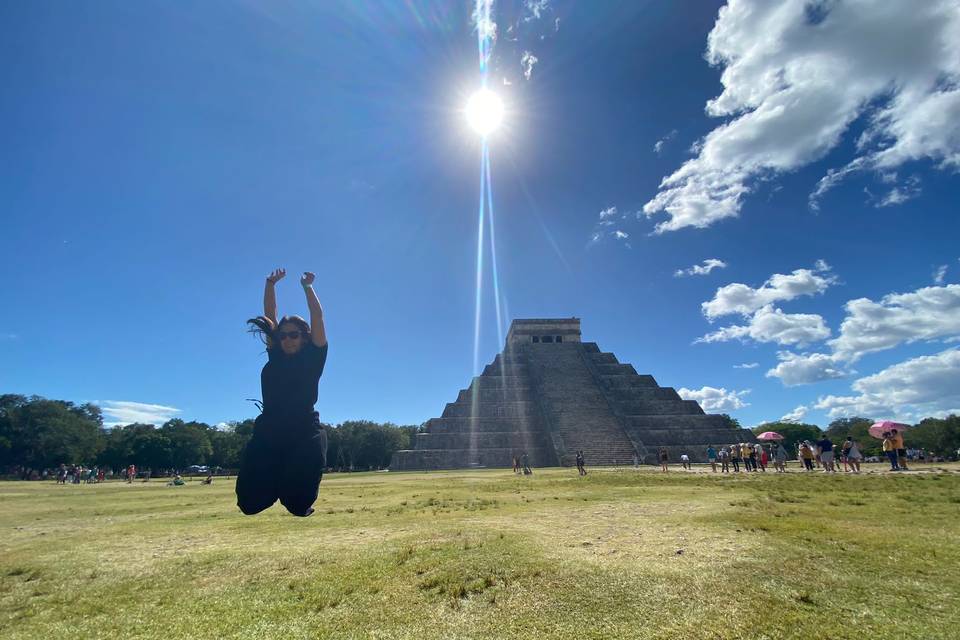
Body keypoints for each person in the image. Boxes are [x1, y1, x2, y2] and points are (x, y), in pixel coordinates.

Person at [236, 269, 329, 517]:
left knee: (298, 504)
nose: (287, 339)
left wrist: (308, 288)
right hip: (269, 429)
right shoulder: (275, 356)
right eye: (283, 335)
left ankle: (295, 495)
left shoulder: (314, 358)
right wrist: (269, 284)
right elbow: (270, 315)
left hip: (303, 430)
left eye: (294, 335)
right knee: (249, 504)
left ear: (304, 338)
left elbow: (317, 317)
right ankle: (274, 484)